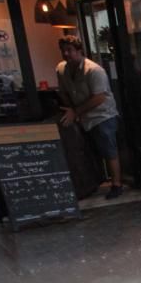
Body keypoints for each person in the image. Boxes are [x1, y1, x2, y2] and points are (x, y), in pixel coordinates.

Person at [56, 35, 123, 199]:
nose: (66, 54)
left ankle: (117, 184)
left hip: (102, 115)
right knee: (87, 151)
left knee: (109, 149)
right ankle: (92, 183)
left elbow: (99, 98)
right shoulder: (61, 69)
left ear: (79, 51)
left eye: (70, 50)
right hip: (82, 116)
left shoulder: (94, 70)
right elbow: (64, 91)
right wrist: (71, 109)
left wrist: (76, 112)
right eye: (63, 50)